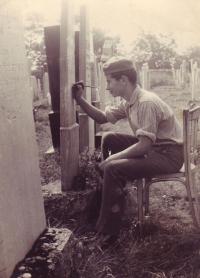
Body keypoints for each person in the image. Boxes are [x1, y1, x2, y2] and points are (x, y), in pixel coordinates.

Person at [72, 56, 183, 244]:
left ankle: (107, 234)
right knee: (109, 138)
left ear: (123, 80)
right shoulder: (130, 100)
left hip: (168, 155)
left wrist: (112, 159)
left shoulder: (146, 102)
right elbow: (101, 118)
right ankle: (111, 200)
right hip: (156, 149)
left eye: (109, 81)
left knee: (113, 167)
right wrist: (79, 99)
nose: (107, 87)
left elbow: (144, 145)